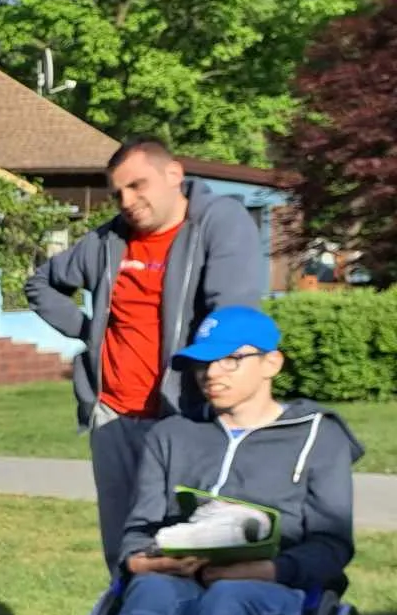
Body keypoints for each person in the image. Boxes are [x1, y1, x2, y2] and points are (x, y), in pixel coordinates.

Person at [71, 305, 360, 615]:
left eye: (230, 360)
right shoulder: (173, 436)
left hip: (268, 583)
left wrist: (266, 569)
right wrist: (144, 564)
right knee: (148, 599)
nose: (212, 374)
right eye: (203, 363)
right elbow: (139, 529)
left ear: (272, 364)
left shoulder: (319, 436)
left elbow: (333, 542)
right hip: (177, 576)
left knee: (230, 599)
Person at [25, 139, 266, 567]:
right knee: (125, 547)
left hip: (186, 414)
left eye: (138, 186)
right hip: (113, 415)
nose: (128, 201)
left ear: (174, 174)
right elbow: (41, 283)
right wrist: (89, 332)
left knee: (192, 544)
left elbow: (231, 314)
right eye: (118, 193)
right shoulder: (108, 241)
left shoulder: (218, 222)